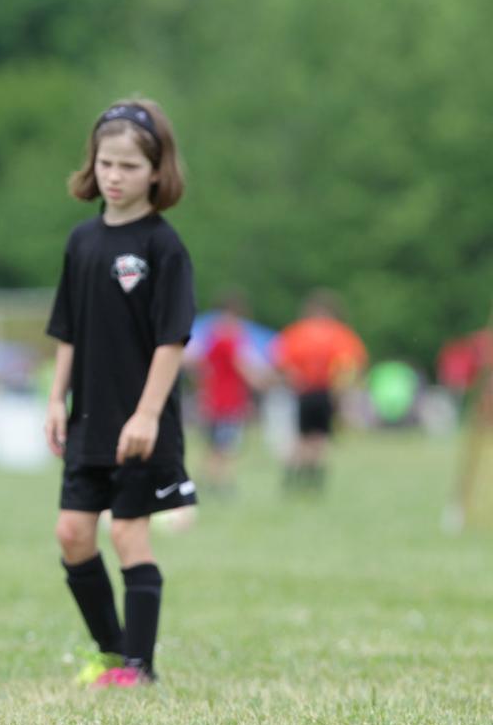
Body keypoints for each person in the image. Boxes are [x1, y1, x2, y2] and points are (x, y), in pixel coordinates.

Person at [44, 99, 197, 688]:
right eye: (106, 162)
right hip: (89, 419)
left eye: (130, 166)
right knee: (72, 533)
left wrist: (148, 415)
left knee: (129, 532)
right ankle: (113, 654)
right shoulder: (81, 241)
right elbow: (67, 331)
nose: (114, 175)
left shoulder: (163, 246)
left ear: (157, 171)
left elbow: (172, 338)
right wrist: (56, 400)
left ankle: (140, 667)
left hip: (140, 422)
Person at [271, 289, 367, 491]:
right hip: (325, 392)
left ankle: (294, 476)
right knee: (320, 438)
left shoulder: (297, 332)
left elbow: (281, 361)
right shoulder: (340, 334)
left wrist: (294, 378)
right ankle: (313, 479)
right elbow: (350, 365)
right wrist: (342, 390)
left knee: (302, 437)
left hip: (303, 392)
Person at [193, 293, 270, 495]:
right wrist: (263, 383)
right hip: (228, 402)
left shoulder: (211, 339)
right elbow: (243, 367)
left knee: (213, 446)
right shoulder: (230, 340)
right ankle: (221, 485)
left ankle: (208, 482)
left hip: (213, 400)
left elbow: (200, 367)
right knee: (225, 447)